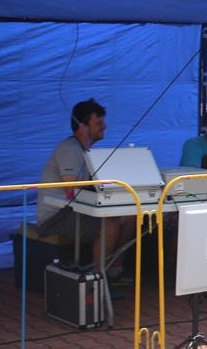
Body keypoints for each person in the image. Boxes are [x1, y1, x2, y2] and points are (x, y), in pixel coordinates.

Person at [36, 99, 136, 279]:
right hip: (55, 216)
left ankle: (115, 269)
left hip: (74, 211)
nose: (104, 126)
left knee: (131, 218)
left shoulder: (84, 150)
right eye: (99, 122)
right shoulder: (70, 148)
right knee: (110, 226)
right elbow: (71, 185)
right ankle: (97, 281)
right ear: (82, 126)